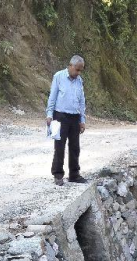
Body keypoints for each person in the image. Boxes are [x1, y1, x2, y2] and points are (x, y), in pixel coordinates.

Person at [46, 55, 88, 186]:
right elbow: (52, 96)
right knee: (59, 146)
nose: (78, 73)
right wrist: (49, 114)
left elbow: (81, 102)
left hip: (75, 117)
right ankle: (58, 174)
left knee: (75, 147)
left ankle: (74, 175)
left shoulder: (79, 81)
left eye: (80, 70)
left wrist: (82, 119)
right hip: (60, 116)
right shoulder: (59, 76)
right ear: (70, 66)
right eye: (77, 69)